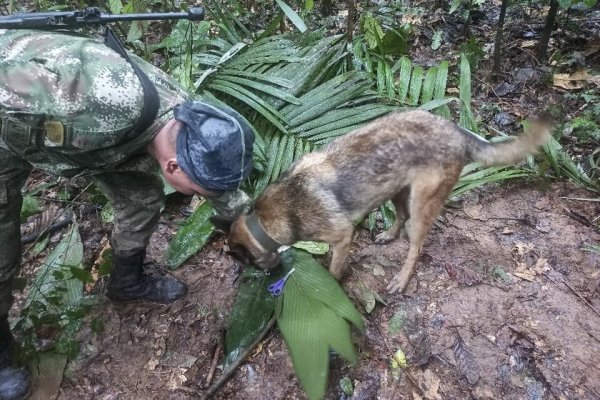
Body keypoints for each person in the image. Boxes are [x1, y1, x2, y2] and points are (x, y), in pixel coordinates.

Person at [0, 28, 254, 400]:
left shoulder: (187, 120)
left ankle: (127, 282)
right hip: (10, 124)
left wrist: (258, 231)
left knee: (142, 198)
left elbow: (221, 188)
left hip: (94, 140)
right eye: (198, 192)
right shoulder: (95, 107)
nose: (202, 197)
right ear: (173, 168)